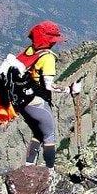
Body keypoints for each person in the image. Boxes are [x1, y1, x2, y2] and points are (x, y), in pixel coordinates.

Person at [20, 21, 81, 170]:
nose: (54, 44)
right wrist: (70, 89)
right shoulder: (47, 57)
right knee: (49, 135)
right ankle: (49, 170)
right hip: (38, 101)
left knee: (38, 132)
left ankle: (29, 165)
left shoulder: (30, 51)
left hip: (23, 100)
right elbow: (49, 85)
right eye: (53, 41)